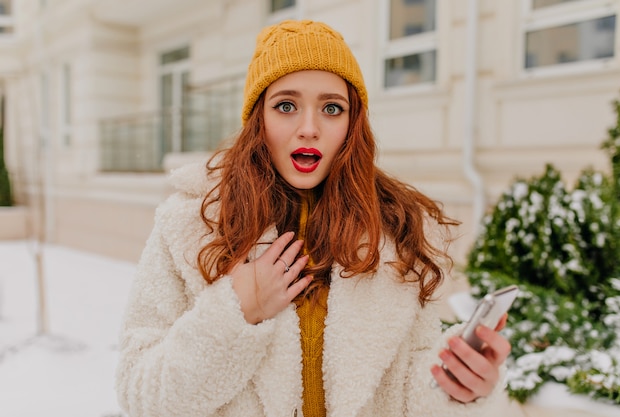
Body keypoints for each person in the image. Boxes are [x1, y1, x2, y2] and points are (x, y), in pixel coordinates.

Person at [115, 19, 512, 417]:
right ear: (258, 119)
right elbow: (141, 396)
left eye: (332, 108)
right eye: (286, 105)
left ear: (352, 123)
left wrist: (460, 389)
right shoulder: (190, 226)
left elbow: (404, 395)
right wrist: (235, 312)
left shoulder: (396, 231)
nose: (309, 129)